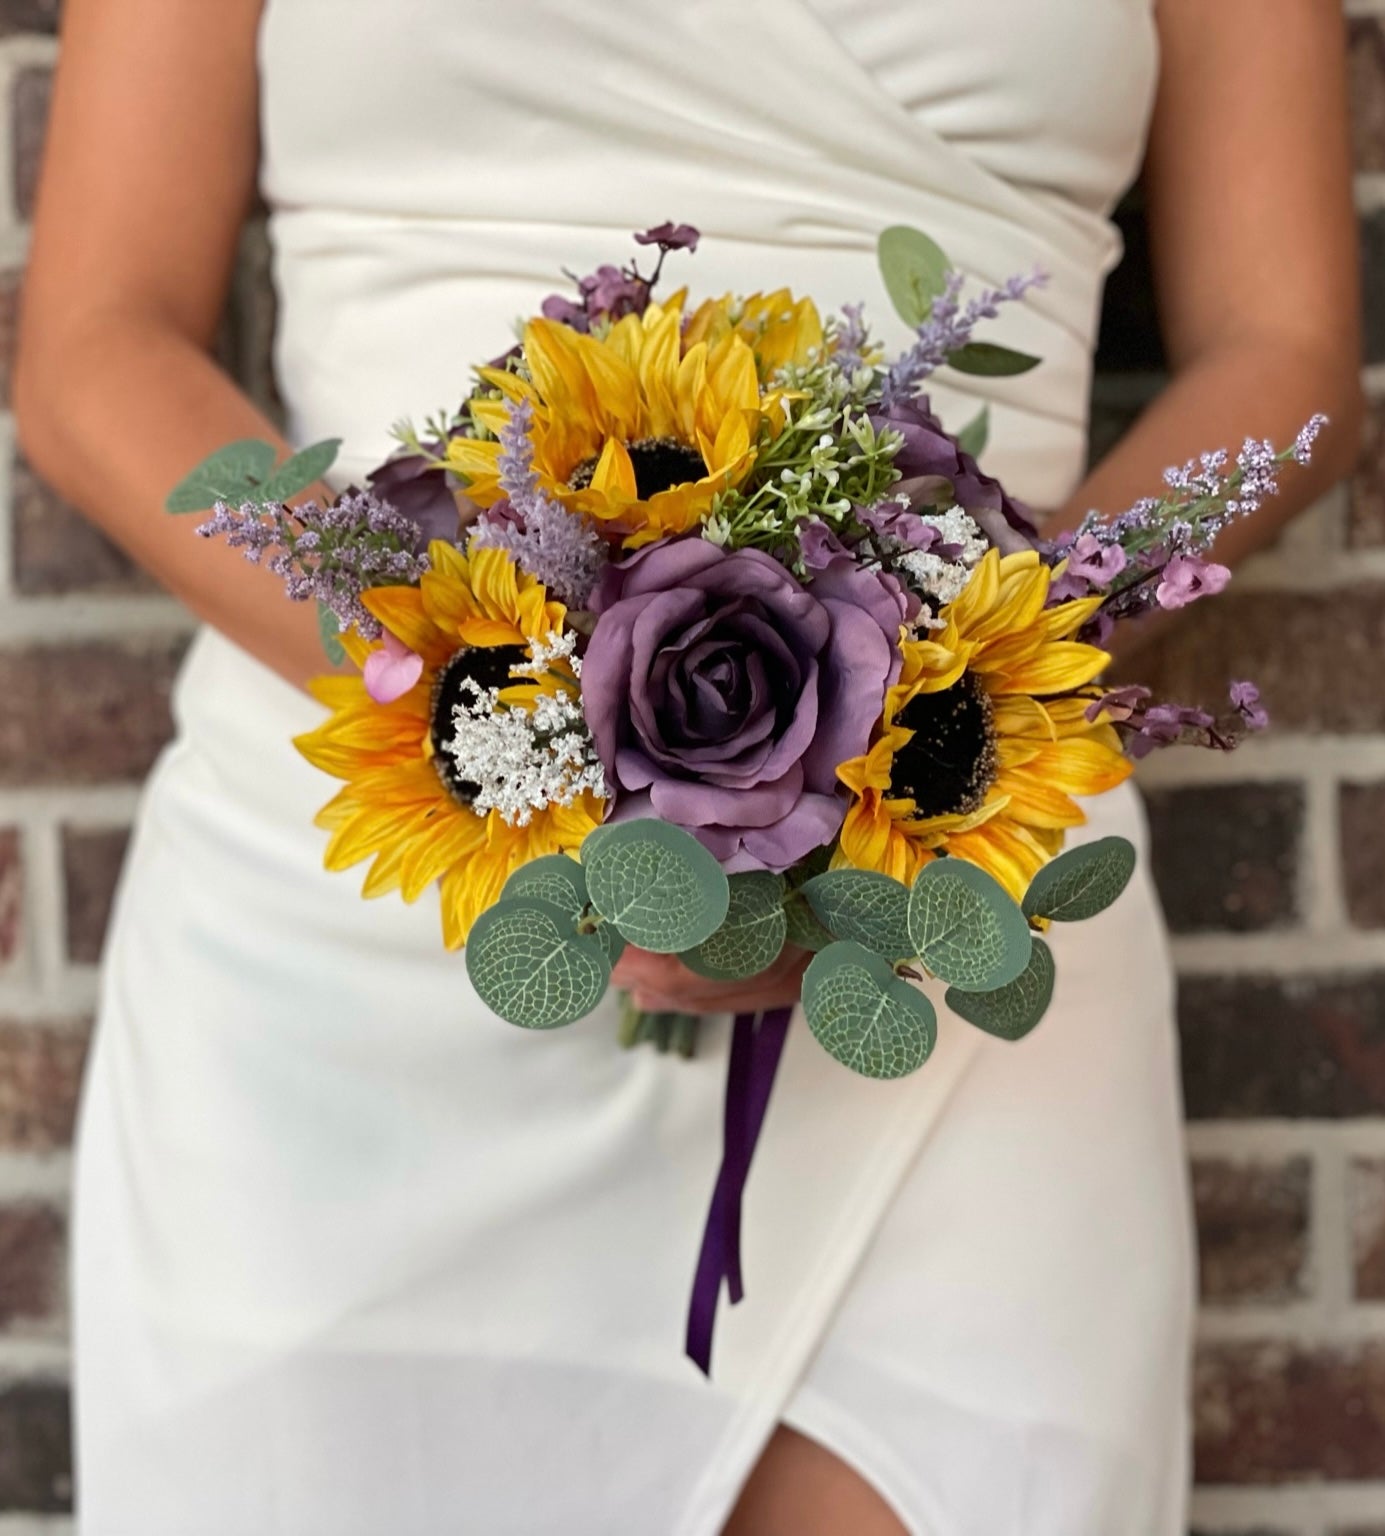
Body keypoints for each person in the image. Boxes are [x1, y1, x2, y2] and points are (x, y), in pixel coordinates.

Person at [14, 1, 1363, 1532]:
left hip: (947, 895)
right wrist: (499, 719)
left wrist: (949, 703)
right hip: (356, 945)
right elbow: (95, 347)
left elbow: (1286, 351)